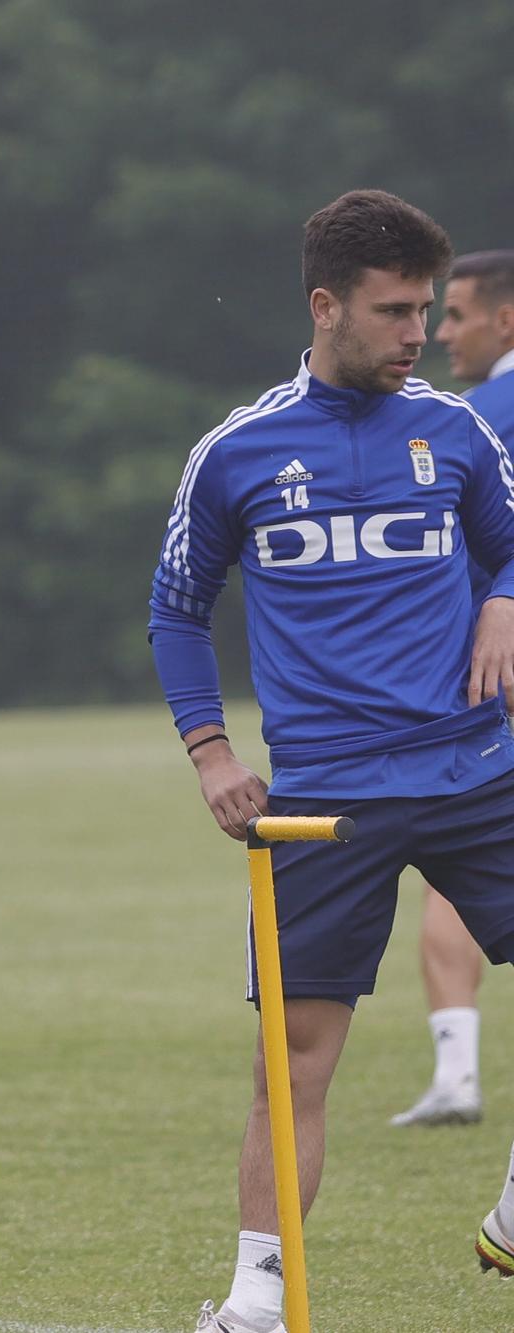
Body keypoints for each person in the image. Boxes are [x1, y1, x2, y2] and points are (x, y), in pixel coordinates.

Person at [148, 190, 514, 1332]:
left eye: (425, 311)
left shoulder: (457, 431)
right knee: (291, 1062)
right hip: (320, 807)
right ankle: (257, 1296)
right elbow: (173, 608)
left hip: (476, 774)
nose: (417, 334)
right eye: (393, 311)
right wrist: (210, 754)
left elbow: (511, 550)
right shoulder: (236, 450)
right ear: (324, 305)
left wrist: (503, 598)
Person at [383, 249, 514, 1130]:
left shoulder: (473, 417)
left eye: (456, 315)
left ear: (505, 319)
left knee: (449, 880)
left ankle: (457, 1075)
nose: (438, 336)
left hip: (484, 685)